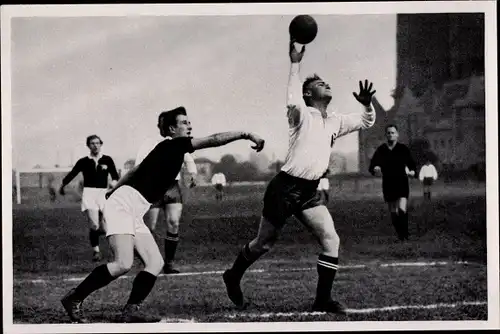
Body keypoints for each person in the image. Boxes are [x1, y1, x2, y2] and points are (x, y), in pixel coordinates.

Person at [222, 38, 376, 314]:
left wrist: (367, 104)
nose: (326, 85)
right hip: (284, 188)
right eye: (319, 84)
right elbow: (292, 98)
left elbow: (366, 121)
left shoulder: (336, 120)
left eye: (326, 83)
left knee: (332, 240)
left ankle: (323, 300)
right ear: (308, 95)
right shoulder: (301, 115)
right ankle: (233, 275)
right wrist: (295, 64)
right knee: (264, 243)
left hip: (309, 191)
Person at [61, 119, 265, 323]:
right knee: (123, 263)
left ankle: (131, 310)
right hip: (123, 205)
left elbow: (134, 171)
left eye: (190, 123)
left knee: (155, 262)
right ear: (172, 130)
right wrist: (246, 134)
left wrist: (112, 190)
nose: (189, 126)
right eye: (184, 123)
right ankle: (74, 298)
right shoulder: (175, 144)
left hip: (133, 208)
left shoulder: (166, 149)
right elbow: (214, 139)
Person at [135, 107, 198, 274]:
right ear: (160, 126)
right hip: (154, 189)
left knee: (174, 223)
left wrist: (192, 173)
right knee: (152, 227)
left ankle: (169, 263)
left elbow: (188, 158)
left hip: (172, 188)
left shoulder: (177, 142)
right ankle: (153, 261)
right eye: (162, 123)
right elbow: (138, 166)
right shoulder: (150, 143)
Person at [59, 135, 120, 261]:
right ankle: (96, 251)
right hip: (90, 194)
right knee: (94, 225)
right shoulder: (84, 161)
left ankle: (116, 251)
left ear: (101, 144)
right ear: (88, 145)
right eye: (92, 143)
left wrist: (114, 184)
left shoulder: (107, 160)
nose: (95, 145)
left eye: (98, 143)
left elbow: (115, 175)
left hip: (104, 194)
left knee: (107, 226)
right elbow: (72, 173)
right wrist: (63, 184)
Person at [369, 124, 417, 241]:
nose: (391, 135)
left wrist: (412, 171)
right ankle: (400, 234)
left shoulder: (403, 149)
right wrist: (375, 168)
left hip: (401, 182)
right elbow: (373, 165)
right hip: (388, 183)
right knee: (393, 212)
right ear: (386, 135)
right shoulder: (381, 150)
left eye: (393, 133)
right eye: (388, 133)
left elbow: (412, 165)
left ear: (397, 135)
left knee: (402, 209)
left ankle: (404, 235)